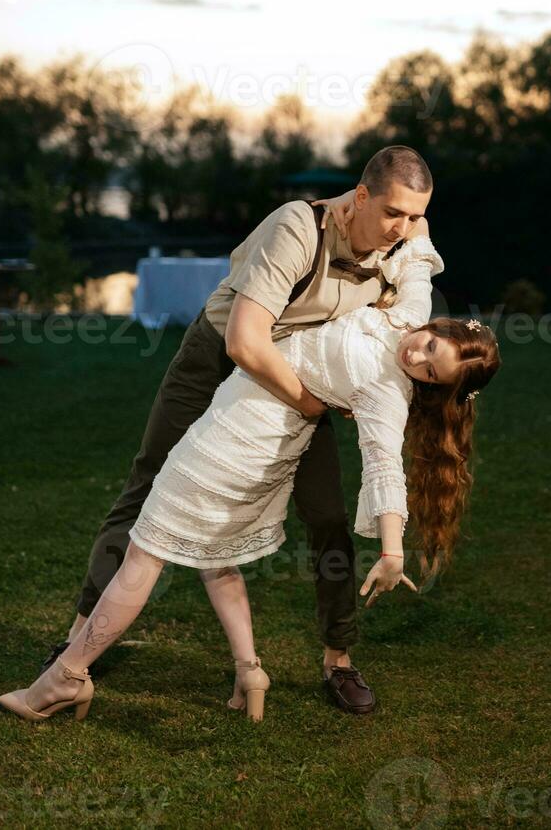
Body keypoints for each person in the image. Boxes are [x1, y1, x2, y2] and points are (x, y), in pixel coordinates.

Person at [0, 226, 501, 724]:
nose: (418, 357)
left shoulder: (387, 395)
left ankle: (67, 675)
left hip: (232, 443)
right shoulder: (408, 315)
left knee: (144, 553)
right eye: (432, 346)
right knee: (217, 553)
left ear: (434, 389)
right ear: (439, 326)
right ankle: (250, 670)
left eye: (431, 373)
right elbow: (417, 260)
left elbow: (384, 464)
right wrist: (418, 219)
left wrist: (392, 550)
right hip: (248, 432)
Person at [36, 145, 436, 715]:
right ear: (361, 195)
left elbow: (408, 321)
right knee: (147, 485)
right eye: (394, 212)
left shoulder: (405, 243)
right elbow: (244, 342)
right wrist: (315, 404)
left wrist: (363, 378)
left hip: (300, 374)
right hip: (221, 359)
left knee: (325, 515)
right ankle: (75, 647)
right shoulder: (299, 227)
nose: (404, 227)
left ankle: (338, 660)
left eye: (416, 215)